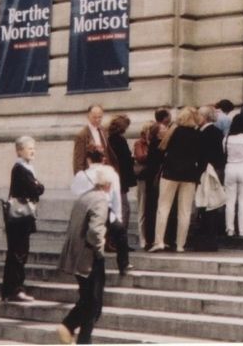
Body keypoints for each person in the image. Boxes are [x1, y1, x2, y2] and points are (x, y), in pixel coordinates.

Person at [57, 165, 116, 345]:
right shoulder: (101, 200)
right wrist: (100, 249)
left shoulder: (85, 197)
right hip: (89, 257)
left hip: (76, 255)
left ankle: (83, 339)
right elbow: (95, 231)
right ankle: (69, 325)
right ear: (108, 184)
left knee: (88, 300)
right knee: (93, 303)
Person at [149, 107, 202, 253]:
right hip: (189, 175)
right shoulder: (198, 134)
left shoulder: (174, 130)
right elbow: (199, 156)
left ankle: (159, 241)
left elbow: (162, 149)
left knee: (163, 208)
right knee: (185, 211)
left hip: (170, 173)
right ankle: (180, 244)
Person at [70, 151, 129, 275]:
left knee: (86, 239)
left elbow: (75, 192)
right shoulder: (111, 173)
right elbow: (116, 197)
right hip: (105, 209)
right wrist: (118, 216)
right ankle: (123, 264)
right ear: (103, 159)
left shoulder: (81, 175)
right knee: (120, 232)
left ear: (89, 160)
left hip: (85, 210)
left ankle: (81, 265)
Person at [1, 136, 44, 303]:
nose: (33, 151)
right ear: (19, 151)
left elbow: (37, 188)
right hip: (19, 217)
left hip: (21, 218)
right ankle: (15, 290)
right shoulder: (20, 169)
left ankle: (10, 290)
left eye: (34, 148)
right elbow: (35, 189)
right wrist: (38, 186)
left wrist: (38, 186)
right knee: (18, 253)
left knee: (18, 253)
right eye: (29, 148)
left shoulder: (27, 168)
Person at [134, 109, 171, 250]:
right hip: (151, 179)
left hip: (155, 178)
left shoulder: (160, 144)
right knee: (147, 208)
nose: (165, 131)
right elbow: (144, 158)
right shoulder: (153, 145)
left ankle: (155, 238)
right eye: (162, 130)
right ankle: (147, 239)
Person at [106, 114, 135, 267]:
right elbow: (123, 160)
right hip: (118, 179)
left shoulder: (111, 139)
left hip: (119, 179)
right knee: (123, 210)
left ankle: (117, 241)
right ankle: (115, 240)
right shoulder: (117, 140)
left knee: (122, 209)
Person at [196, 106, 225, 251]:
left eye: (199, 115)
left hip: (207, 171)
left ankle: (208, 239)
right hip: (211, 169)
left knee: (208, 204)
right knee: (209, 204)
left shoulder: (208, 132)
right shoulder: (216, 131)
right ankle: (208, 238)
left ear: (205, 117)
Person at [73, 105, 116, 175]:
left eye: (100, 117)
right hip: (91, 174)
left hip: (106, 173)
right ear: (88, 116)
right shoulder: (82, 136)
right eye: (94, 117)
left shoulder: (104, 131)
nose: (97, 120)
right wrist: (80, 178)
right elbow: (78, 163)